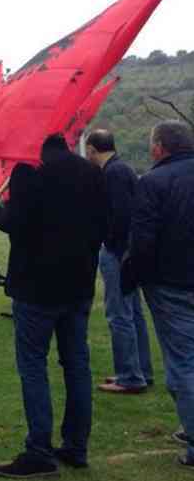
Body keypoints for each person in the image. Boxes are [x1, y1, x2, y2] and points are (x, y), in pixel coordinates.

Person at [0, 134, 107, 477]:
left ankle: (39, 450)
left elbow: (16, 225)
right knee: (76, 364)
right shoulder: (91, 171)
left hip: (37, 287)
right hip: (79, 282)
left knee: (34, 366)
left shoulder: (28, 171)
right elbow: (102, 224)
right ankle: (75, 446)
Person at [123, 120, 194, 470]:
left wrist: (132, 277)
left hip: (173, 284)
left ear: (159, 148)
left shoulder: (152, 182)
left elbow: (143, 241)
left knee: (183, 361)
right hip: (175, 280)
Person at [84, 129, 154, 394]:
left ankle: (129, 376)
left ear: (91, 149)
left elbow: (121, 215)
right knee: (134, 312)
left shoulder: (112, 173)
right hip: (129, 250)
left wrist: (111, 244)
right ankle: (142, 371)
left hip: (118, 252)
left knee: (119, 314)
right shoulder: (124, 169)